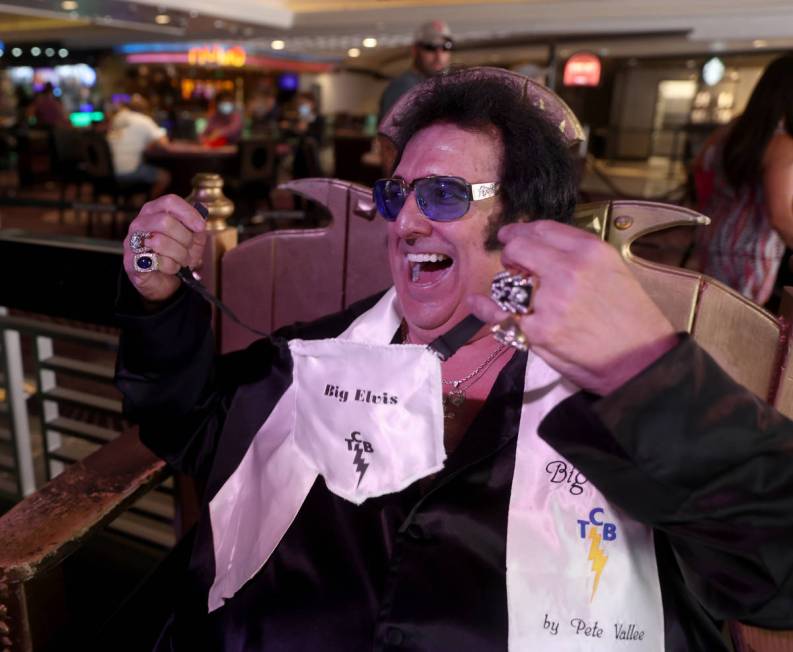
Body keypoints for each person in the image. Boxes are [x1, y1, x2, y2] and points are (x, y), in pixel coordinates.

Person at [115, 68, 793, 650]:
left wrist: (639, 369)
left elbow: (774, 572)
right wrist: (157, 303)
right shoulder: (322, 354)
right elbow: (191, 428)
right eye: (395, 194)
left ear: (525, 219)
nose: (405, 221)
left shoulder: (623, 394)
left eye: (440, 194)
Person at [692, 54, 793, 306]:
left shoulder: (731, 129)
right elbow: (780, 216)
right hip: (752, 251)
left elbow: (698, 169)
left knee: (709, 318)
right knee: (735, 330)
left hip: (714, 237)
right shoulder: (781, 144)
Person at [378, 19, 454, 124]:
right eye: (430, 47)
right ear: (415, 50)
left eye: (446, 47)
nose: (439, 56)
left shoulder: (439, 86)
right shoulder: (404, 87)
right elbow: (388, 136)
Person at [107, 93, 171, 196]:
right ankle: (151, 210)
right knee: (164, 177)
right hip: (129, 171)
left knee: (143, 171)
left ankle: (136, 205)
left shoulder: (118, 118)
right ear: (145, 109)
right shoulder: (144, 120)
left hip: (109, 171)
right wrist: (151, 143)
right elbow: (164, 143)